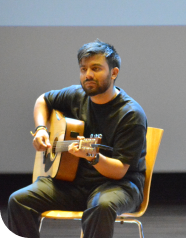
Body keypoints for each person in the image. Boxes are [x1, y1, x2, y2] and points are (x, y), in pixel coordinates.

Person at [7, 40, 147, 238]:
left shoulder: (131, 114)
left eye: (96, 68)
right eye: (83, 69)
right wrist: (40, 129)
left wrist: (93, 157)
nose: (87, 74)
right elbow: (42, 100)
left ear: (114, 73)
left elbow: (119, 170)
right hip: (73, 183)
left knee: (101, 206)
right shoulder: (76, 95)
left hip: (119, 186)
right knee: (18, 200)